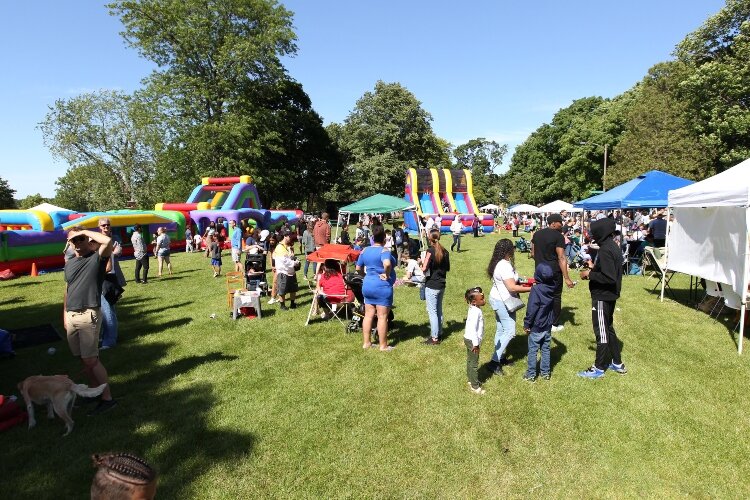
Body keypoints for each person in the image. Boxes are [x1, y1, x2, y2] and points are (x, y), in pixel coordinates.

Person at [62, 226, 117, 416]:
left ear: (87, 240)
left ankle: (107, 399)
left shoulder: (96, 258)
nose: (77, 243)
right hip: (71, 315)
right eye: (73, 240)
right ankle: (95, 392)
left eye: (80, 239)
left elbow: (107, 241)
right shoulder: (69, 263)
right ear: (68, 243)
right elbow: (68, 290)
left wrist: (82, 231)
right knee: (82, 358)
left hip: (88, 314)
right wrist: (65, 315)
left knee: (91, 360)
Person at [578, 217, 627, 379]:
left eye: (594, 232)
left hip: (602, 296)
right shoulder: (612, 246)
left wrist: (589, 274)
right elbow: (608, 269)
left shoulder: (606, 250)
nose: (592, 235)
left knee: (602, 331)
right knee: (609, 328)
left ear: (601, 232)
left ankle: (598, 368)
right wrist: (594, 267)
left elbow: (609, 277)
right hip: (610, 294)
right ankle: (617, 363)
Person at [486, 239, 533, 375]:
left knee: (501, 329)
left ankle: (500, 357)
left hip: (497, 298)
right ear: (508, 250)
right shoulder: (504, 266)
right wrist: (532, 288)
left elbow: (513, 281)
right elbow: (512, 287)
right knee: (510, 331)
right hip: (503, 301)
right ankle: (494, 362)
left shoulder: (499, 262)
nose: (514, 249)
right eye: (512, 248)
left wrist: (525, 282)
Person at [530, 214, 575, 332]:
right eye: (560, 222)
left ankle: (539, 320)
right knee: (555, 296)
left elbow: (533, 254)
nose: (562, 224)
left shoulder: (537, 234)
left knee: (541, 295)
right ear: (553, 223)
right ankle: (554, 324)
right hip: (554, 271)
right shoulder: (558, 237)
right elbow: (561, 257)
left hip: (539, 270)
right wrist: (567, 278)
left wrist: (541, 262)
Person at [355, 226, 397, 351]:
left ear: (372, 238)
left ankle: (366, 343)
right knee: (382, 316)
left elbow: (358, 268)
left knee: (368, 315)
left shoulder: (365, 250)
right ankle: (383, 345)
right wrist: (387, 274)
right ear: (384, 239)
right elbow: (387, 264)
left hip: (367, 285)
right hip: (381, 287)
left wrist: (365, 276)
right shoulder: (384, 251)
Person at [522, 262, 556, 382]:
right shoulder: (552, 287)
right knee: (546, 349)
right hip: (547, 325)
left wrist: (527, 324)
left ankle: (531, 374)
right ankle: (545, 373)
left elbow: (532, 309)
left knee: (533, 350)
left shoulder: (536, 290)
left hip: (536, 326)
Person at [98, 218, 126, 350]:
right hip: (107, 277)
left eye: (108, 225)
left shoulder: (111, 240)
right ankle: (108, 337)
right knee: (109, 309)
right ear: (99, 227)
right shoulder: (98, 240)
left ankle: (109, 341)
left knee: (107, 310)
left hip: (107, 278)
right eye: (103, 225)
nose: (106, 227)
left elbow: (108, 266)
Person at [422, 228, 450, 345]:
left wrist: (421, 262)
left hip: (432, 284)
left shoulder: (430, 251)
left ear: (430, 238)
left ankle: (434, 338)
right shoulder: (445, 251)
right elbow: (447, 268)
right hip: (441, 284)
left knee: (432, 312)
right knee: (438, 310)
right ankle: (439, 333)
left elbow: (424, 268)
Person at [463, 286, 486, 395]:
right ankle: (475, 386)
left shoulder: (472, 308)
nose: (484, 300)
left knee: (469, 360)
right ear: (474, 302)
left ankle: (470, 379)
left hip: (468, 338)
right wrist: (476, 344)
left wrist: (477, 291)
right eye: (481, 299)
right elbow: (473, 329)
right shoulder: (476, 312)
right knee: (474, 363)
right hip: (473, 341)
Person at [273, 231, 299, 310]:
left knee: (293, 289)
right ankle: (282, 305)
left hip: (291, 271)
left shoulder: (287, 246)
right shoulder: (280, 247)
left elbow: (288, 257)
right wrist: (295, 263)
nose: (290, 238)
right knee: (282, 289)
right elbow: (284, 261)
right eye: (289, 237)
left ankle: (292, 304)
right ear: (285, 236)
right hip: (283, 271)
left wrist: (292, 257)